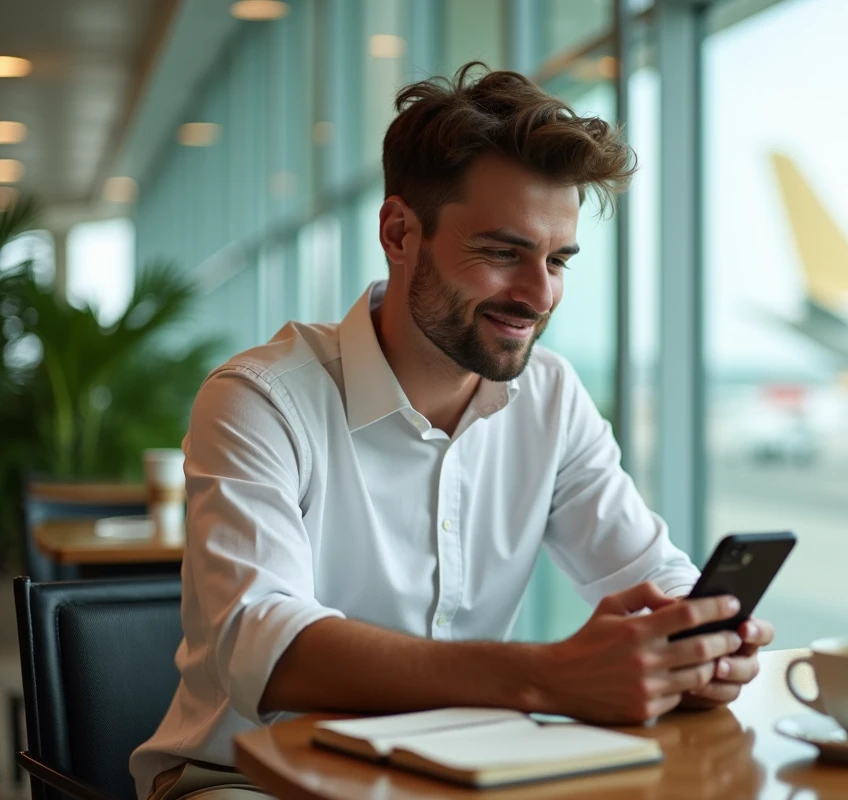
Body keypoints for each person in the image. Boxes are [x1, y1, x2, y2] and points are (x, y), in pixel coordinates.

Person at [131, 63, 775, 800]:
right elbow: (270, 651)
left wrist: (700, 645)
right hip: (245, 781)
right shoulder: (259, 399)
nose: (538, 295)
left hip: (459, 773)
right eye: (503, 253)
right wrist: (551, 677)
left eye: (557, 260)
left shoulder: (551, 397)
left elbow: (655, 576)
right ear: (400, 232)